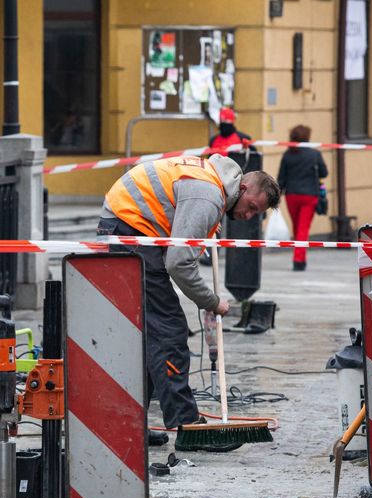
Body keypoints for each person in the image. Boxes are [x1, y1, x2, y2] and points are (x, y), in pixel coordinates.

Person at [97, 154, 280, 451]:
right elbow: (179, 263)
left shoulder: (210, 185)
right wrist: (211, 301)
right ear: (243, 188)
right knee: (169, 332)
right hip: (131, 235)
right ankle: (188, 425)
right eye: (251, 208)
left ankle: (128, 424)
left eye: (255, 214)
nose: (247, 216)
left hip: (126, 228)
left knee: (147, 338)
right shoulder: (207, 195)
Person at [276, 124, 329, 271]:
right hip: (309, 195)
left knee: (296, 227)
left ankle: (300, 256)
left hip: (291, 195)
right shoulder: (314, 154)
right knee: (303, 229)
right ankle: (298, 260)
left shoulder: (287, 155)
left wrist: (277, 196)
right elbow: (324, 173)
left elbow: (281, 178)